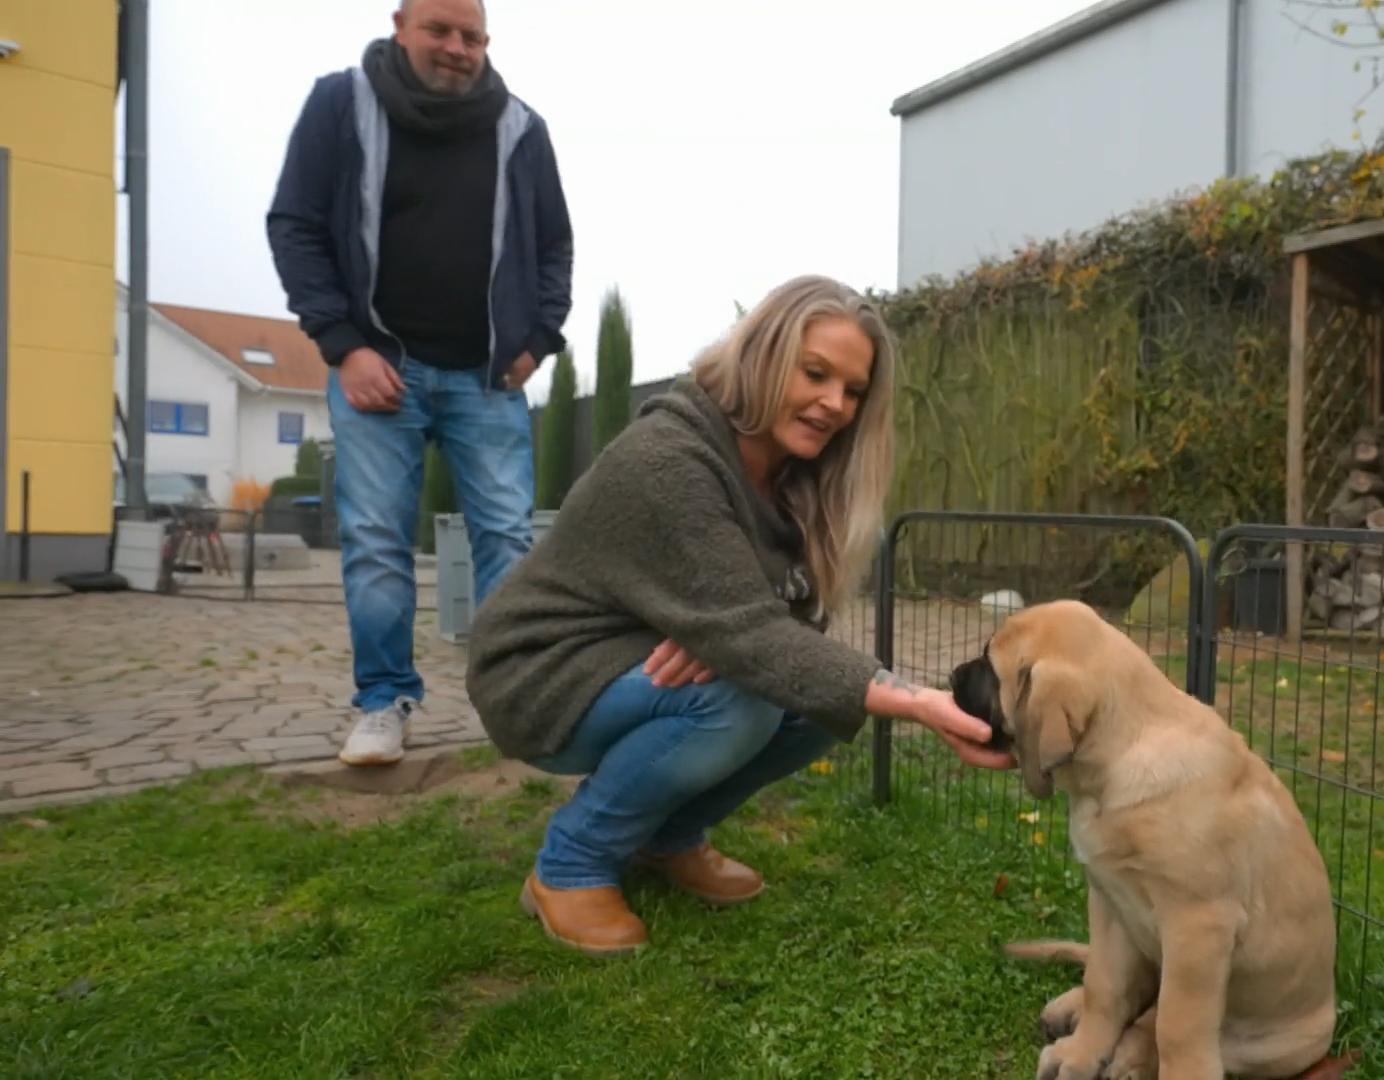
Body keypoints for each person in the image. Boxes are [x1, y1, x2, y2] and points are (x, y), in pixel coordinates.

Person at [465, 275, 1014, 956]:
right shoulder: (671, 458)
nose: (834, 404)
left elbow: (783, 633)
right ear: (763, 353)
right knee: (744, 697)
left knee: (817, 703)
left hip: (632, 658)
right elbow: (758, 637)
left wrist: (729, 635)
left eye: (852, 391)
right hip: (540, 675)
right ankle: (570, 863)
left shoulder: (793, 478)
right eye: (815, 373)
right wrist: (922, 703)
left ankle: (666, 839)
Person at [265, 0, 573, 766]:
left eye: (472, 36)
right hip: (378, 370)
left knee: (506, 536)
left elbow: (555, 245)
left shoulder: (522, 128)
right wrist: (341, 345)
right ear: (400, 26)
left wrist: (537, 340)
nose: (457, 48)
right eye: (440, 30)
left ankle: (513, 702)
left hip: (488, 376)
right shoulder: (340, 104)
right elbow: (295, 224)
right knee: (375, 541)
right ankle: (383, 703)